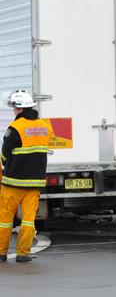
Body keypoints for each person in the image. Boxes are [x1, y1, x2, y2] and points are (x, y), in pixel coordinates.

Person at [0, 90, 52, 263]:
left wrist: (7, 161)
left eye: (14, 107)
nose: (13, 111)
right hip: (34, 182)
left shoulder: (15, 127)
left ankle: (1, 253)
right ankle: (23, 253)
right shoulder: (45, 126)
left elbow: (5, 153)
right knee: (29, 220)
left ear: (19, 108)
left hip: (13, 182)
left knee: (5, 220)